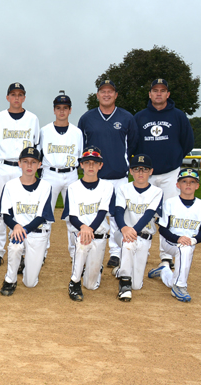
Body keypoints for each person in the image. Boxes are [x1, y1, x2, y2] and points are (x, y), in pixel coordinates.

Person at [78, 79, 138, 270]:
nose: (106, 94)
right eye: (102, 91)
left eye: (110, 91)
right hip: (95, 177)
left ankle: (115, 252)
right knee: (92, 213)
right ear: (97, 95)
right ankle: (89, 249)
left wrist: (127, 164)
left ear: (116, 95)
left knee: (117, 215)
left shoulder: (127, 117)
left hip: (119, 175)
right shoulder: (87, 118)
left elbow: (134, 145)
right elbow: (82, 146)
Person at [134, 79, 194, 268]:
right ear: (150, 94)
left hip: (170, 174)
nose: (158, 94)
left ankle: (166, 255)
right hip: (146, 175)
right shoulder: (140, 117)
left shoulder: (178, 116)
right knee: (141, 214)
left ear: (168, 94)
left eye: (162, 91)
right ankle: (136, 250)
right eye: (155, 90)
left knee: (169, 215)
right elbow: (134, 144)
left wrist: (173, 157)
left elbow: (188, 142)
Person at [0, 83, 40, 266]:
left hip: (23, 168)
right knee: (0, 211)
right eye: (13, 94)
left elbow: (36, 146)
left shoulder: (32, 119)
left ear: (24, 97)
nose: (16, 98)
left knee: (24, 208)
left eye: (20, 95)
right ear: (7, 97)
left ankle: (24, 249)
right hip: (2, 167)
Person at [147, 168, 201, 302]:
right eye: (184, 181)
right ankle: (179, 287)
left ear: (197, 185)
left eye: (192, 182)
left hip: (189, 243)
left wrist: (193, 240)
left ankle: (164, 271)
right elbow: (162, 229)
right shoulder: (170, 203)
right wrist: (178, 239)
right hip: (170, 243)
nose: (188, 184)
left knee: (185, 249)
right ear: (177, 185)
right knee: (184, 248)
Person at [62, 147, 115, 302]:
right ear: (81, 165)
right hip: (80, 233)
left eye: (95, 163)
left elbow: (102, 212)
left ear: (100, 165)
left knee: (91, 285)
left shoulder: (107, 186)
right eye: (87, 162)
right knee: (83, 242)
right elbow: (72, 216)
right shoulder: (73, 187)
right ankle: (74, 282)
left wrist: (89, 228)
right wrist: (84, 228)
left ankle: (94, 268)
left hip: (98, 234)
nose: (91, 166)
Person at [0, 147, 54, 296]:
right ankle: (10, 280)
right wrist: (16, 226)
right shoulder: (10, 185)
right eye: (25, 162)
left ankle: (25, 264)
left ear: (39, 165)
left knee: (30, 283)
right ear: (19, 163)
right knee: (15, 247)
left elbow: (43, 216)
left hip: (37, 233)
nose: (29, 166)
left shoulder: (46, 186)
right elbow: (5, 214)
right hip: (18, 232)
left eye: (33, 162)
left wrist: (24, 229)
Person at [38, 93, 83, 260]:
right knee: (44, 215)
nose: (62, 111)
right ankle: (41, 253)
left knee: (73, 215)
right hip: (50, 173)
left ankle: (75, 253)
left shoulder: (77, 132)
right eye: (58, 108)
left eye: (65, 108)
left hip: (71, 174)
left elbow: (80, 157)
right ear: (54, 110)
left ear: (70, 110)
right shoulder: (44, 131)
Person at [113, 154, 163, 301]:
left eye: (144, 169)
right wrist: (124, 228)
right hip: (123, 234)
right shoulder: (124, 188)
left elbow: (148, 215)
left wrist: (132, 230)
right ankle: (124, 283)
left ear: (151, 171)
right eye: (137, 169)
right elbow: (118, 211)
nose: (141, 173)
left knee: (137, 285)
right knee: (128, 244)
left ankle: (122, 272)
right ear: (131, 171)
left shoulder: (157, 192)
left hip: (144, 236)